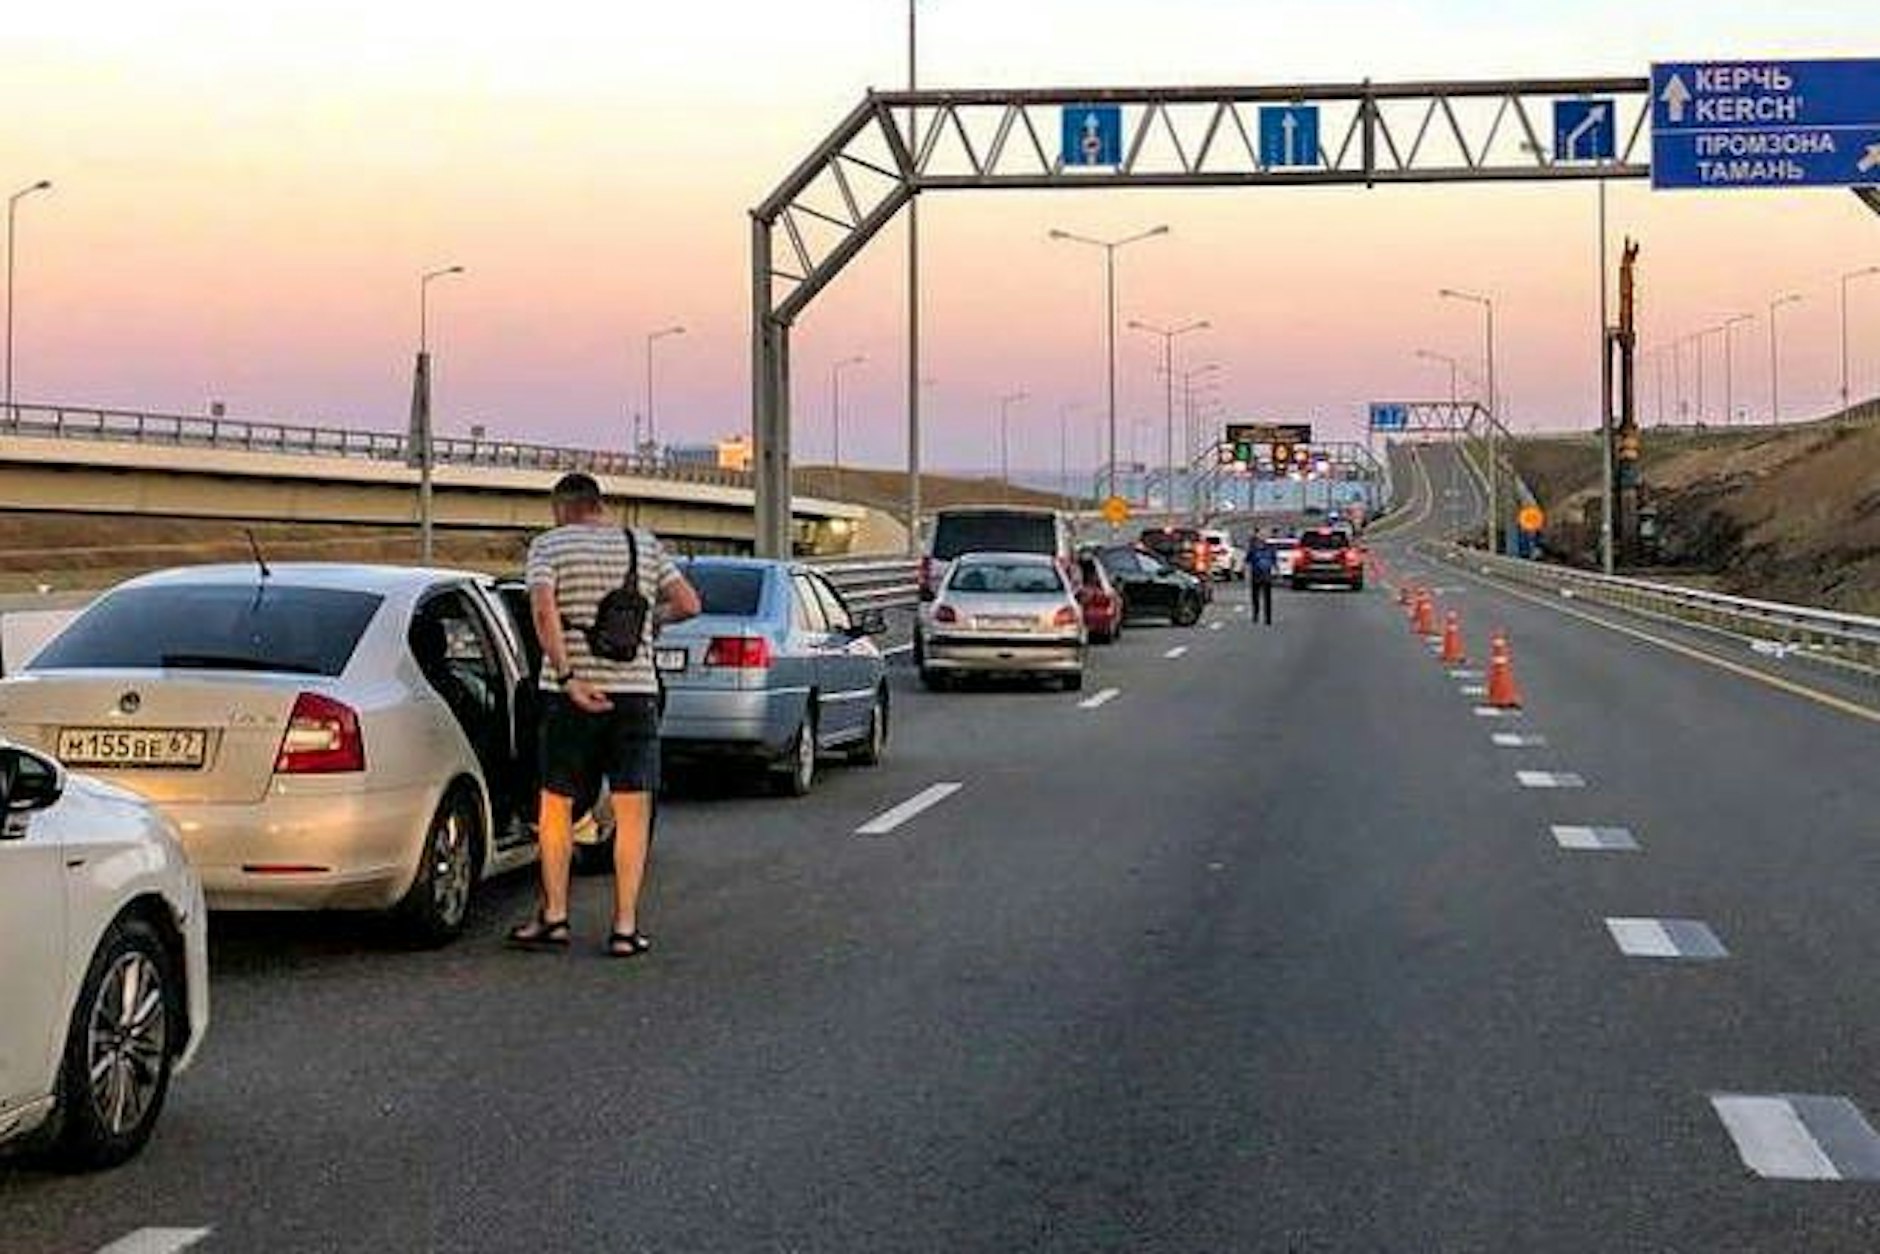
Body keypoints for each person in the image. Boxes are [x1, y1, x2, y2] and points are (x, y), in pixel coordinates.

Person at [508, 473, 700, 958]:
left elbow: (543, 613)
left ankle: (554, 916)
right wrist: (646, 624)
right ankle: (625, 927)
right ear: (599, 505)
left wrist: (569, 674)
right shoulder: (645, 545)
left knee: (557, 806)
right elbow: (689, 604)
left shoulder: (548, 546)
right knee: (632, 811)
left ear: (562, 508)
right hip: (635, 695)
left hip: (569, 695)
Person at [1246, 530, 1276, 626]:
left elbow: (1247, 560)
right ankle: (1268, 618)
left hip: (1256, 576)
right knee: (1267, 598)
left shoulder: (1253, 549)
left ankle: (1256, 615)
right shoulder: (1270, 548)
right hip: (1266, 576)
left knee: (1256, 597)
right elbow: (1274, 561)